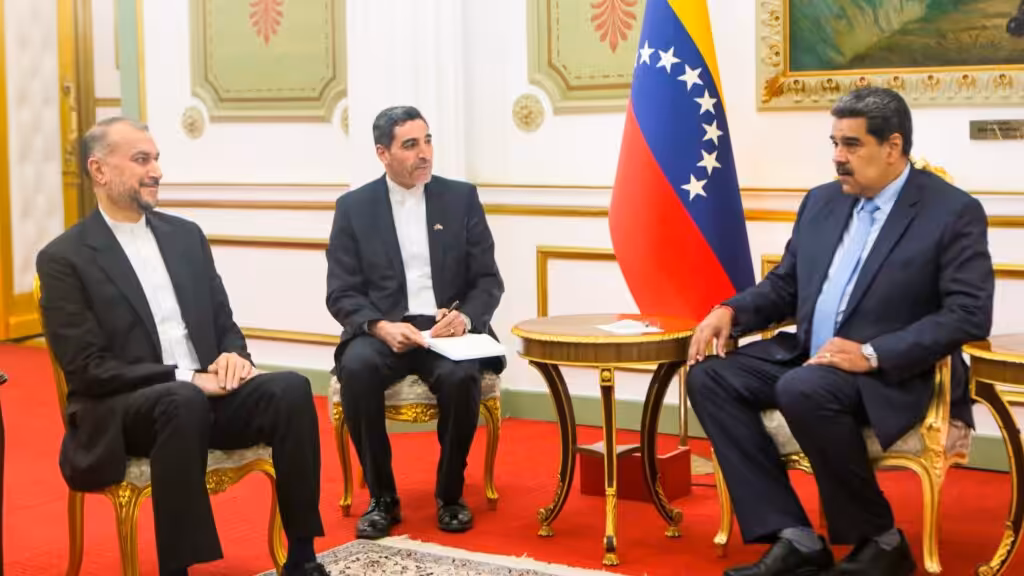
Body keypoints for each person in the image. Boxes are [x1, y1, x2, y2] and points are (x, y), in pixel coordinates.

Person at [686, 87, 993, 576]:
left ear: (892, 147)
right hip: (809, 354)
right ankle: (794, 535)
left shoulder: (951, 211)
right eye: (834, 143)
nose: (837, 158)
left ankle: (881, 539)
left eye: (851, 145)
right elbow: (786, 284)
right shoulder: (822, 202)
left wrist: (872, 353)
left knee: (802, 387)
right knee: (709, 376)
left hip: (890, 371)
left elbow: (968, 314)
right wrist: (731, 310)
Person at [35, 117, 328, 576]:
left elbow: (223, 322)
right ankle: (179, 567)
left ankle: (302, 555)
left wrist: (235, 356)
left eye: (156, 159)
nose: (156, 171)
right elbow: (87, 369)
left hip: (200, 401)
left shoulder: (185, 236)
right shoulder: (64, 258)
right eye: (141, 160)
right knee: (182, 398)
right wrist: (188, 378)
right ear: (99, 170)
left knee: (290, 389)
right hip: (124, 412)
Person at [326, 105, 504, 540]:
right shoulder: (353, 208)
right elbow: (341, 292)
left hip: (445, 330)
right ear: (383, 153)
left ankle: (450, 494)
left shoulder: (460, 198)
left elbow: (488, 280)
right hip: (383, 329)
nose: (424, 153)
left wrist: (464, 317)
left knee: (462, 376)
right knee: (357, 369)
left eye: (427, 141)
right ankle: (382, 498)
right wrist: (378, 326)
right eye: (411, 145)